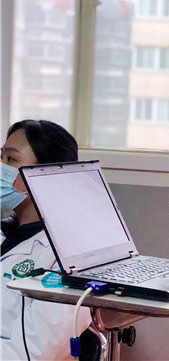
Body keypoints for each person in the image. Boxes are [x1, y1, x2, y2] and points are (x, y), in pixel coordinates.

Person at [1, 119, 92, 360]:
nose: (1, 167)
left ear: (46, 175)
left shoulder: (69, 258)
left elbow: (34, 353)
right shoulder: (6, 232)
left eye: (10, 159)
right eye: (0, 157)